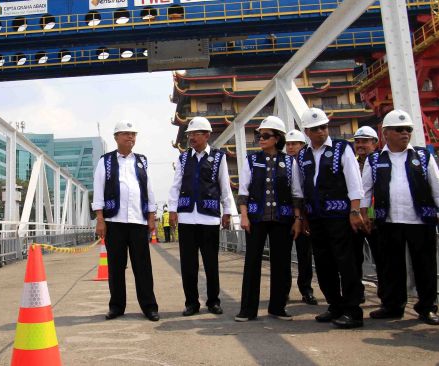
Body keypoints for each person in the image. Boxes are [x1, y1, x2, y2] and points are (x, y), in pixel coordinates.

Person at [361, 110, 439, 325]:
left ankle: (427, 308)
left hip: (420, 220)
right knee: (391, 267)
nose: (405, 133)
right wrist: (363, 214)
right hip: (388, 221)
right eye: (399, 129)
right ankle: (393, 306)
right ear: (386, 133)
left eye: (408, 129)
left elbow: (437, 185)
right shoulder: (374, 160)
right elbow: (365, 190)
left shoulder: (422, 156)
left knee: (425, 266)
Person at [297, 107, 365, 329]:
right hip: (316, 217)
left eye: (324, 127)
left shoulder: (342, 149)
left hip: (339, 216)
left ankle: (353, 311)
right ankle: (335, 305)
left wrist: (355, 212)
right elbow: (300, 189)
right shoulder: (303, 155)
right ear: (307, 131)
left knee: (346, 262)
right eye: (316, 128)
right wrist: (303, 217)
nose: (321, 132)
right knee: (324, 263)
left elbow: (354, 182)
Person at [235, 117, 304, 321]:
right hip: (256, 218)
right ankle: (247, 309)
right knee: (252, 262)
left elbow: (297, 193)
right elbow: (244, 190)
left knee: (281, 263)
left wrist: (298, 219)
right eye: (259, 135)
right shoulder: (251, 160)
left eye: (265, 135)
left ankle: (278, 307)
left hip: (283, 218)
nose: (260, 139)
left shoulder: (290, 162)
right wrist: (244, 216)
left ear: (277, 138)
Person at [92, 121, 159, 322]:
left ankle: (149, 307)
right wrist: (100, 219)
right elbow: (98, 190)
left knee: (143, 267)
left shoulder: (141, 161)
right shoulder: (105, 161)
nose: (130, 137)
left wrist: (151, 216)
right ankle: (117, 306)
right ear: (116, 137)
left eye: (133, 134)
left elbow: (148, 189)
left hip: (138, 221)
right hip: (114, 221)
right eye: (126, 134)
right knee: (116, 266)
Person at [168, 117, 234, 316]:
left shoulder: (219, 157)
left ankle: (213, 301)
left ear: (207, 135)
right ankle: (191, 303)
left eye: (195, 134)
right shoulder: (183, 158)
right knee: (188, 265)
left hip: (209, 218)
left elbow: (224, 185)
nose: (191, 138)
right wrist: (172, 210)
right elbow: (176, 186)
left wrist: (228, 211)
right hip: (187, 217)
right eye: (189, 134)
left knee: (211, 263)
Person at [285, 129, 318, 306]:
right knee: (283, 255)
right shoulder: (282, 163)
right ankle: (283, 291)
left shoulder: (310, 163)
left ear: (302, 145)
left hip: (306, 215)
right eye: (288, 144)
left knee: (305, 255)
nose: (290, 147)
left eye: (294, 144)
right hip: (286, 215)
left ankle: (306, 290)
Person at [352, 126, 381, 303]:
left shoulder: (382, 162)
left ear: (375, 143)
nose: (360, 145)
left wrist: (369, 215)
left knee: (381, 258)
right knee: (354, 259)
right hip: (356, 218)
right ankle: (357, 293)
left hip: (374, 219)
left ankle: (386, 294)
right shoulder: (352, 163)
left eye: (365, 141)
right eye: (357, 142)